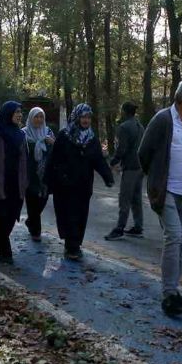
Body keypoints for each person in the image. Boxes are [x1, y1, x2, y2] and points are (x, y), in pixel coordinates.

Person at [138, 80, 182, 316]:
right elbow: (144, 153)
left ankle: (174, 288)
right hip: (167, 190)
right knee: (175, 237)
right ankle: (169, 294)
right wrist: (157, 180)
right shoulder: (162, 120)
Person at [46, 104, 115, 260]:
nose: (86, 120)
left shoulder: (92, 138)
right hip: (65, 185)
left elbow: (98, 160)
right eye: (83, 117)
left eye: (89, 117)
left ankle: (74, 245)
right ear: (77, 117)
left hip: (83, 185)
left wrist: (108, 177)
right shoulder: (64, 136)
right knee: (67, 215)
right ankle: (70, 245)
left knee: (80, 215)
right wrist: (49, 182)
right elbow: (53, 159)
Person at [0, 101, 29, 264]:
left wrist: (26, 179)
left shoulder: (21, 134)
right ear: (7, 113)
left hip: (16, 183)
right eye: (16, 112)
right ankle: (5, 251)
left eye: (20, 113)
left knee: (11, 217)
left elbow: (25, 158)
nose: (19, 115)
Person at [105, 102, 145, 241]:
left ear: (124, 111)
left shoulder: (124, 127)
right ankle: (138, 226)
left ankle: (119, 228)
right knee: (136, 198)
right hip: (140, 166)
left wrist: (113, 161)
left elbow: (122, 148)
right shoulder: (140, 126)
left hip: (130, 167)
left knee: (125, 198)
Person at [23, 107, 55, 241]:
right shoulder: (23, 134)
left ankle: (31, 221)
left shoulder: (48, 132)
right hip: (29, 174)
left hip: (44, 175)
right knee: (32, 203)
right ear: (31, 118)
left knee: (42, 200)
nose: (39, 119)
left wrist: (53, 143)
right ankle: (36, 232)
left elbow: (57, 152)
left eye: (41, 117)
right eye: (36, 117)